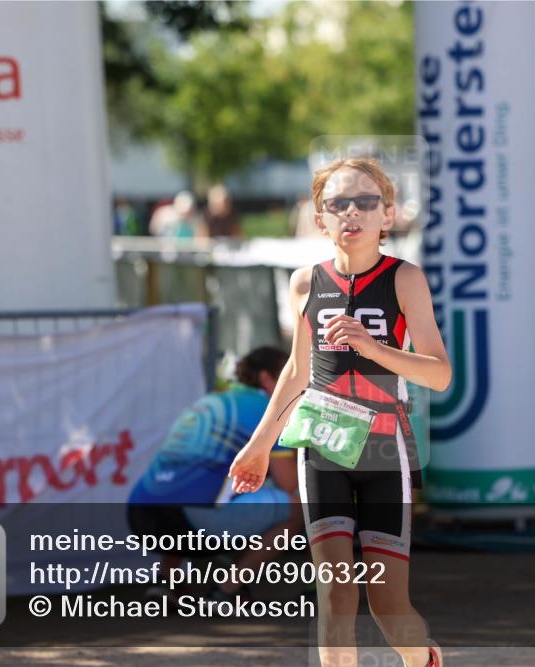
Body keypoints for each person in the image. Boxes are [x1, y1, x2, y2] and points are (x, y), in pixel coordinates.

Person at [229, 158, 451, 667]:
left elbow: (439, 374)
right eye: (337, 203)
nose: (351, 212)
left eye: (365, 202)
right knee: (335, 595)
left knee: (388, 605)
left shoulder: (404, 279)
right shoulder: (305, 283)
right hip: (321, 450)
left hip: (381, 450)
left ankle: (425, 659)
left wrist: (375, 349)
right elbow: (295, 372)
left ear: (387, 215)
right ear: (320, 216)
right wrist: (261, 445)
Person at [127, 346, 302, 600]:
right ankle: (226, 590)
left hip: (140, 514)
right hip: (193, 521)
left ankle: (166, 582)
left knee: (190, 488)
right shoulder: (269, 410)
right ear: (266, 378)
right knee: (299, 508)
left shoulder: (210, 400)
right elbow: (289, 485)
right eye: (293, 377)